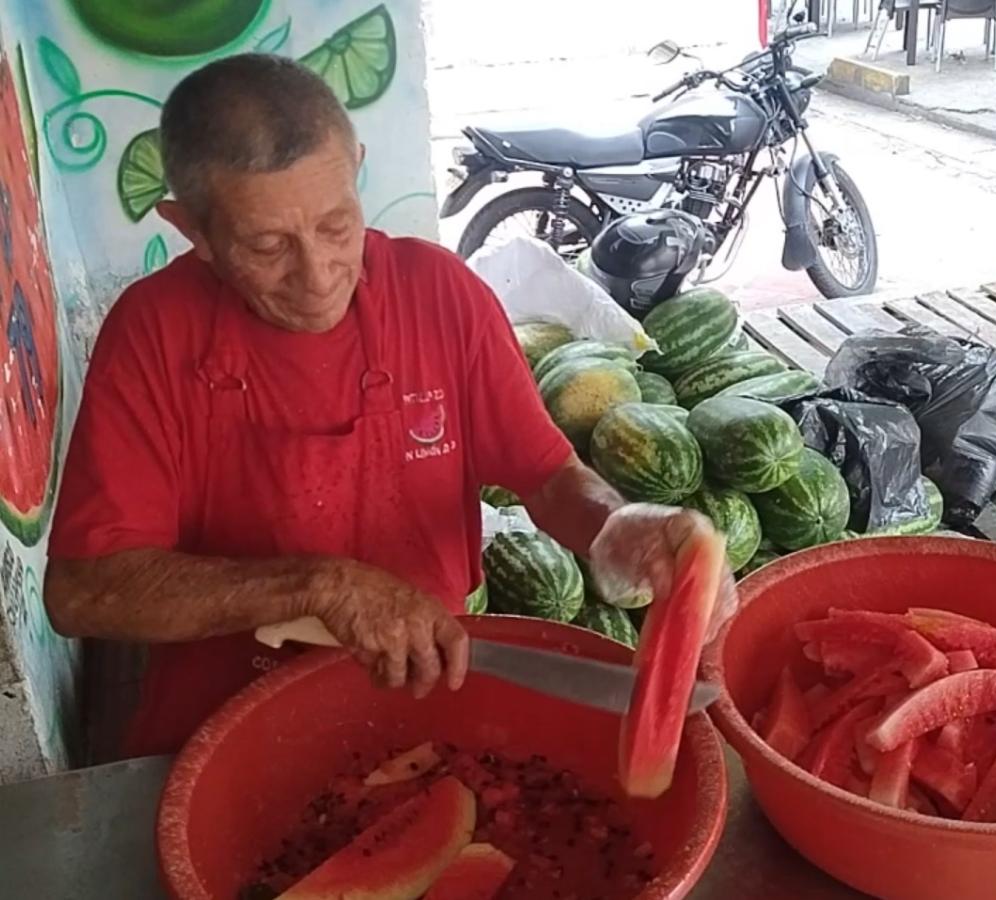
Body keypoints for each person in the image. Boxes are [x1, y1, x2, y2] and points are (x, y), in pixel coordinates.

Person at [44, 55, 734, 758]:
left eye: (336, 224)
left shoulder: (440, 293)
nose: (317, 277)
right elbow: (86, 591)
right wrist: (318, 586)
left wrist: (621, 525)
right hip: (225, 729)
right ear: (190, 227)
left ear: (357, 169)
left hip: (428, 706)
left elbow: (548, 477)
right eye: (267, 245)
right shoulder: (152, 332)